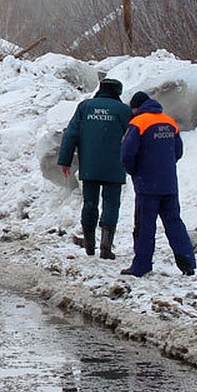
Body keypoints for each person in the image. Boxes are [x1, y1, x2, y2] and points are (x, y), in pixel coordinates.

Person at [120, 91, 197, 278]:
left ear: (136, 108)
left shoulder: (138, 123)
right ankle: (187, 263)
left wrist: (135, 171)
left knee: (145, 226)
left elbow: (127, 154)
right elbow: (178, 151)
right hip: (169, 183)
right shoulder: (169, 122)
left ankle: (141, 266)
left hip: (147, 185)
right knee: (174, 222)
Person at [57, 77, 132, 259]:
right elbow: (132, 137)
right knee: (111, 203)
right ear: (118, 92)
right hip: (114, 164)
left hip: (90, 164)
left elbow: (71, 134)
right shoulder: (123, 110)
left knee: (90, 203)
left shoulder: (85, 107)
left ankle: (89, 244)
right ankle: (106, 245)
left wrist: (65, 160)